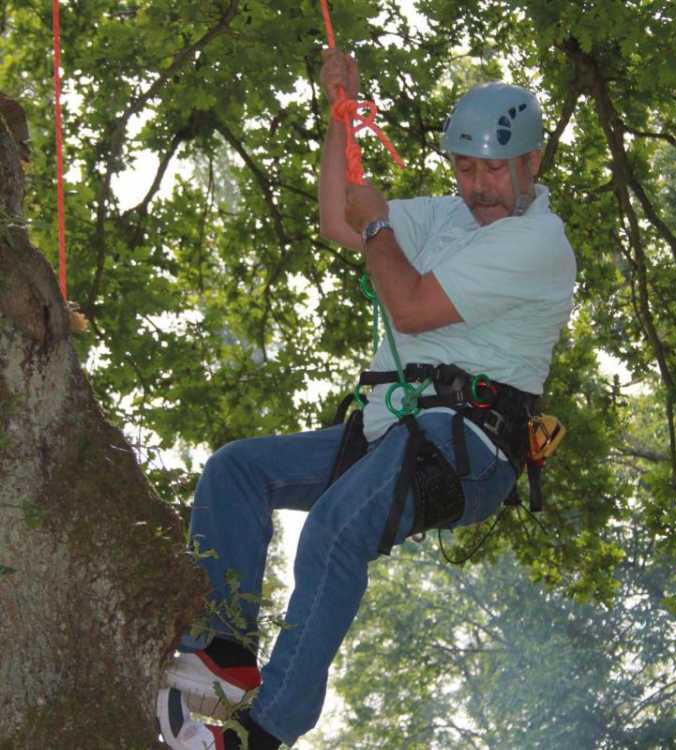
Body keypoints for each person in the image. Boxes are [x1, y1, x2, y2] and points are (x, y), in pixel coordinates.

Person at [156, 48, 576, 750]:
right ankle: (222, 653)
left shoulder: (540, 243)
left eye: (495, 169)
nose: (478, 186)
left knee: (335, 529)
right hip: (395, 430)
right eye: (465, 168)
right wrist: (339, 118)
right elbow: (339, 218)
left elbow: (408, 306)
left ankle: (262, 734)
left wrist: (380, 224)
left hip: (466, 444)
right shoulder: (447, 218)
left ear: (532, 164)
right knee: (238, 470)